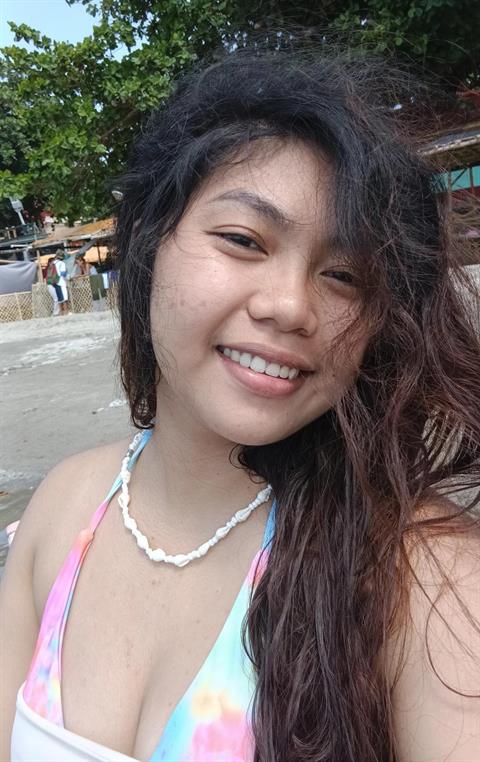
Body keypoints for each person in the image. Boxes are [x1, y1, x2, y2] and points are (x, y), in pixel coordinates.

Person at [1, 47, 480, 762]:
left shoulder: (428, 579)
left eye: (345, 276)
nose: (290, 306)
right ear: (148, 243)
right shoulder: (62, 507)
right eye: (242, 240)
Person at [53, 249, 69, 315]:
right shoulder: (62, 263)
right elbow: (63, 274)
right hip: (61, 282)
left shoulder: (53, 263)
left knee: (59, 298)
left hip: (55, 282)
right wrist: (67, 274)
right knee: (65, 298)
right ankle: (66, 312)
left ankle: (61, 312)